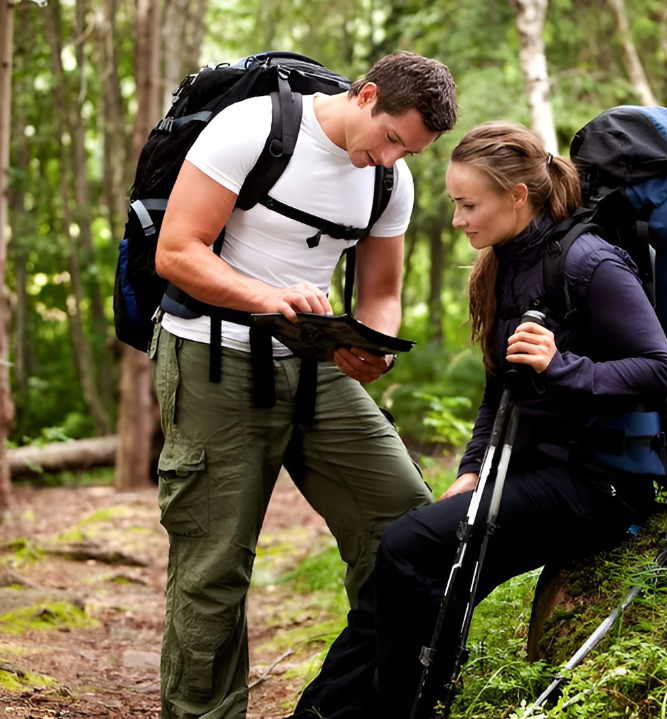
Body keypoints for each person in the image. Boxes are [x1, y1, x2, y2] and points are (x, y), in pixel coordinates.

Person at [289, 121, 667, 719]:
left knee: (406, 544)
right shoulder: (504, 264)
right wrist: (473, 469)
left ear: (516, 196)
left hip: (600, 482)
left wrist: (564, 367)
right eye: (454, 203)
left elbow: (660, 371)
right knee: (409, 578)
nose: (457, 220)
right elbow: (502, 385)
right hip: (531, 470)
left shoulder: (589, 262)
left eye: (468, 205)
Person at [150, 51, 458, 719]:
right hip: (212, 357)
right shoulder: (252, 129)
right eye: (392, 139)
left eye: (410, 152)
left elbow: (382, 293)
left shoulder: (390, 182)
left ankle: (367, 701)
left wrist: (373, 347)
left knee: (406, 521)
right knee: (215, 565)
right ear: (367, 95)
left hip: (315, 366)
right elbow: (176, 250)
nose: (391, 159)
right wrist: (267, 295)